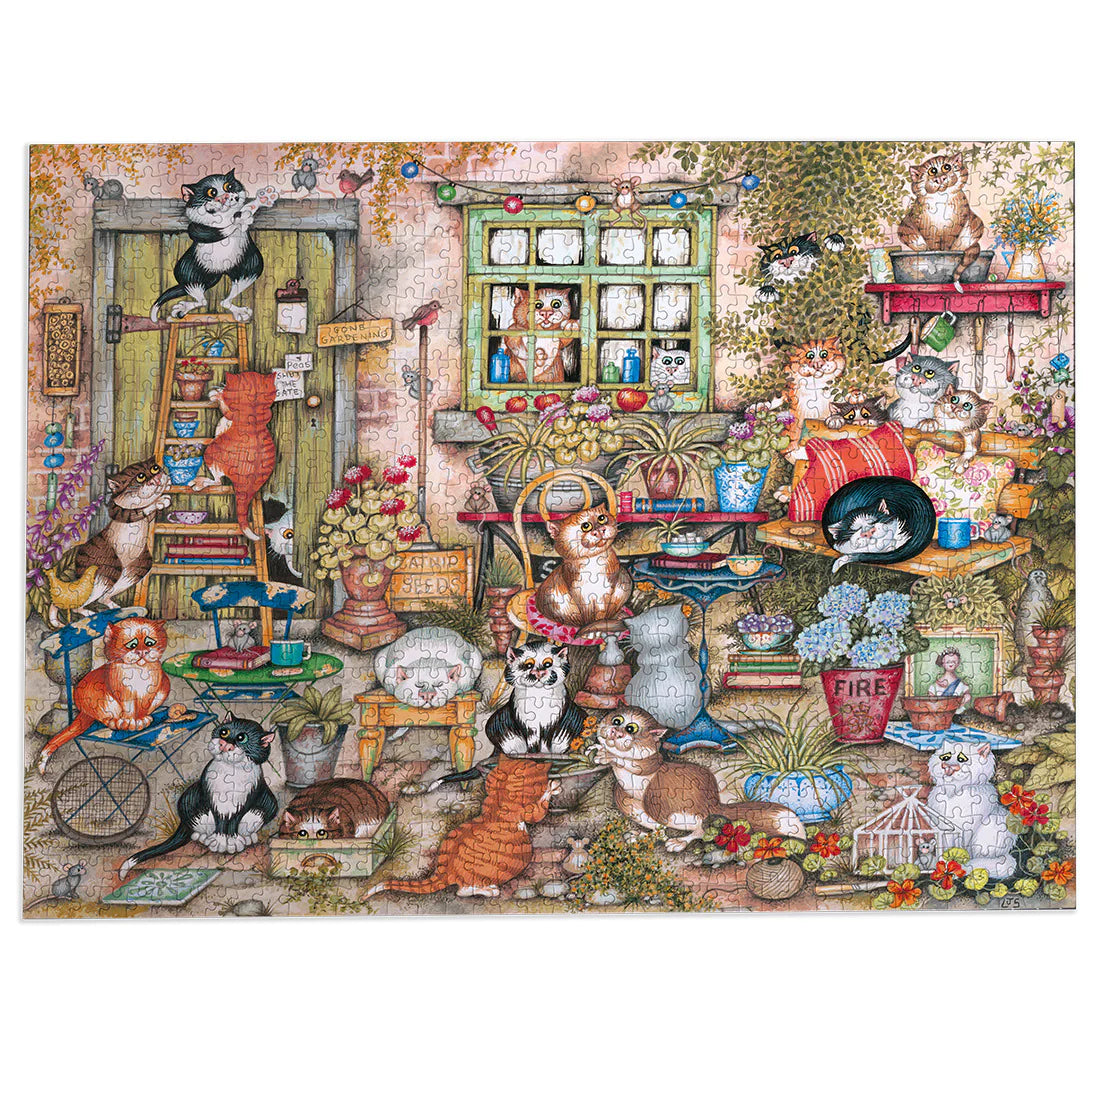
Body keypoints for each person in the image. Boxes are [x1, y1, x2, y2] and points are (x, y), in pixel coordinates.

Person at [928, 646, 971, 712]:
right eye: (948, 662)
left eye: (953, 662)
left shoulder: (961, 684)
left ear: (958, 663)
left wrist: (961, 703)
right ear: (942, 663)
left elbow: (967, 696)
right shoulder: (934, 687)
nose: (951, 664)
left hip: (957, 714)